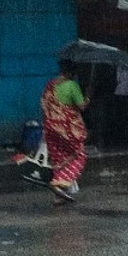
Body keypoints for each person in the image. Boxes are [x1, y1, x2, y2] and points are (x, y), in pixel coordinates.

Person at [41, 59, 91, 205]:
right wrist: (88, 96)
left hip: (51, 127)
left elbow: (44, 104)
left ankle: (59, 196)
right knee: (78, 156)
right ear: (72, 72)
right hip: (67, 129)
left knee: (59, 158)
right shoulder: (72, 85)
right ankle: (58, 183)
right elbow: (81, 106)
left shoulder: (50, 85)